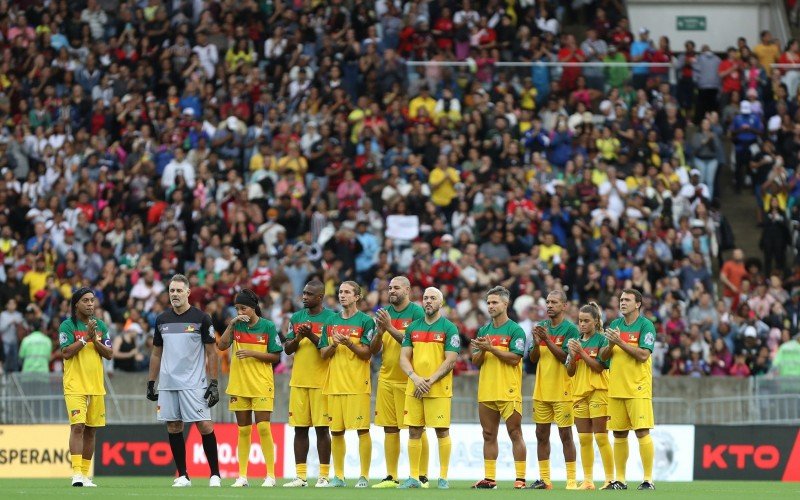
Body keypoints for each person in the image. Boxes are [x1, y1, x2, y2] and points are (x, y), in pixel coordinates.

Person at [147, 274, 221, 487]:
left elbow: (212, 352)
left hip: (194, 383)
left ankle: (215, 474)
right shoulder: (162, 320)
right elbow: (156, 353)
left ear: (188, 292)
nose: (175, 295)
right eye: (172, 291)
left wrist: (213, 383)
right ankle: (183, 475)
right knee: (173, 427)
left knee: (205, 426)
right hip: (168, 384)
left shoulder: (201, 318)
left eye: (179, 291)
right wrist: (151, 382)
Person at [217, 289, 283, 487]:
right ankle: (242, 476)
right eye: (237, 308)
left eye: (243, 308)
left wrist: (252, 353)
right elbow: (221, 346)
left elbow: (276, 356)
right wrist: (230, 325)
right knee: (243, 430)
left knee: (263, 427)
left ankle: (270, 475)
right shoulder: (236, 326)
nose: (240, 312)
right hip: (239, 384)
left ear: (253, 308)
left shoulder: (268, 326)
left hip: (261, 384)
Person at [397, 287, 459, 489]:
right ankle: (414, 477)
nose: (428, 301)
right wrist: (415, 378)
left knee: (441, 431)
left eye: (433, 298)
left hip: (438, 389)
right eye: (425, 298)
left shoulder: (449, 328)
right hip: (415, 387)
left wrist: (429, 381)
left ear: (441, 303)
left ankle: (443, 477)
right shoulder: (412, 328)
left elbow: (450, 360)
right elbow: (403, 358)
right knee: (414, 430)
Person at [371, 276, 428, 488]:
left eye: (396, 287)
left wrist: (389, 327)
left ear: (407, 290)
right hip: (386, 377)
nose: (391, 291)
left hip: (410, 379)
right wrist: (379, 332)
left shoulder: (417, 313)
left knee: (417, 428)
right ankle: (391, 476)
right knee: (390, 428)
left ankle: (422, 476)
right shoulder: (385, 313)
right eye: (390, 288)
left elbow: (414, 342)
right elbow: (374, 350)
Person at [318, 281, 376, 488]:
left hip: (357, 385)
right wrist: (334, 344)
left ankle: (364, 476)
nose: (342, 295)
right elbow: (323, 354)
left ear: (357, 296)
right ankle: (339, 476)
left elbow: (367, 353)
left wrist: (349, 343)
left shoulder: (366, 321)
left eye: (347, 292)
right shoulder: (330, 322)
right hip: (334, 384)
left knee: (362, 430)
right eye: (340, 292)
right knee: (336, 432)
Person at [599, 289, 657, 490]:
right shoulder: (615, 325)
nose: (622, 303)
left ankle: (648, 480)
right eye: (621, 299)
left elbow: (643, 355)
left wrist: (620, 342)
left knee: (641, 432)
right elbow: (604, 356)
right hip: (616, 388)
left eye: (627, 300)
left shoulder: (646, 326)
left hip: (637, 388)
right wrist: (610, 344)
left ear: (638, 304)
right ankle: (620, 480)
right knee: (619, 434)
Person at [470, 286, 527, 489]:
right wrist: (481, 350)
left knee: (515, 433)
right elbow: (476, 361)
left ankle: (520, 478)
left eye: (495, 302)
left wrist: (491, 348)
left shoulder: (515, 330)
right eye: (488, 302)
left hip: (508, 390)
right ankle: (490, 478)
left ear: (506, 304)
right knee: (488, 434)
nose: (491, 306)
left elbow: (515, 358)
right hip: (487, 390)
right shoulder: (484, 331)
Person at [283, 280, 338, 488]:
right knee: (300, 429)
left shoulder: (331, 318)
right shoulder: (296, 318)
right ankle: (301, 476)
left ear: (320, 297)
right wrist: (298, 337)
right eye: (303, 293)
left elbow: (328, 351)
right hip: (298, 381)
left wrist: (311, 335)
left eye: (309, 294)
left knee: (322, 429)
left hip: (322, 382)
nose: (304, 296)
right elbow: (288, 349)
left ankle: (323, 476)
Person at [58, 288, 113, 487]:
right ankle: (76, 475)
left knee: (91, 430)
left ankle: (85, 474)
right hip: (75, 385)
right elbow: (65, 353)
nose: (90, 304)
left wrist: (94, 339)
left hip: (96, 385)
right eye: (86, 300)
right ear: (76, 305)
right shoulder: (67, 325)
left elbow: (109, 353)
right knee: (78, 427)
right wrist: (84, 339)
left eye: (92, 300)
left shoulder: (100, 326)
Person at [528, 290, 579, 490]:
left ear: (564, 306)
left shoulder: (571, 330)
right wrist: (535, 342)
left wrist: (547, 340)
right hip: (541, 390)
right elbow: (532, 359)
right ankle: (545, 479)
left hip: (563, 390)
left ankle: (572, 480)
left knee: (565, 435)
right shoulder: (541, 327)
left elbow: (566, 358)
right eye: (547, 302)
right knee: (541, 435)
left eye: (554, 302)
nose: (549, 305)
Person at [565, 303, 614, 490]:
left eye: (586, 321)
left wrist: (581, 353)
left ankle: (610, 479)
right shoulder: (575, 341)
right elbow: (570, 372)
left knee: (601, 437)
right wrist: (572, 355)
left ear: (595, 321)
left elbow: (599, 366)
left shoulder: (601, 341)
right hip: (579, 393)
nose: (582, 324)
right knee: (584, 439)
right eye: (580, 321)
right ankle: (587, 480)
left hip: (598, 391)